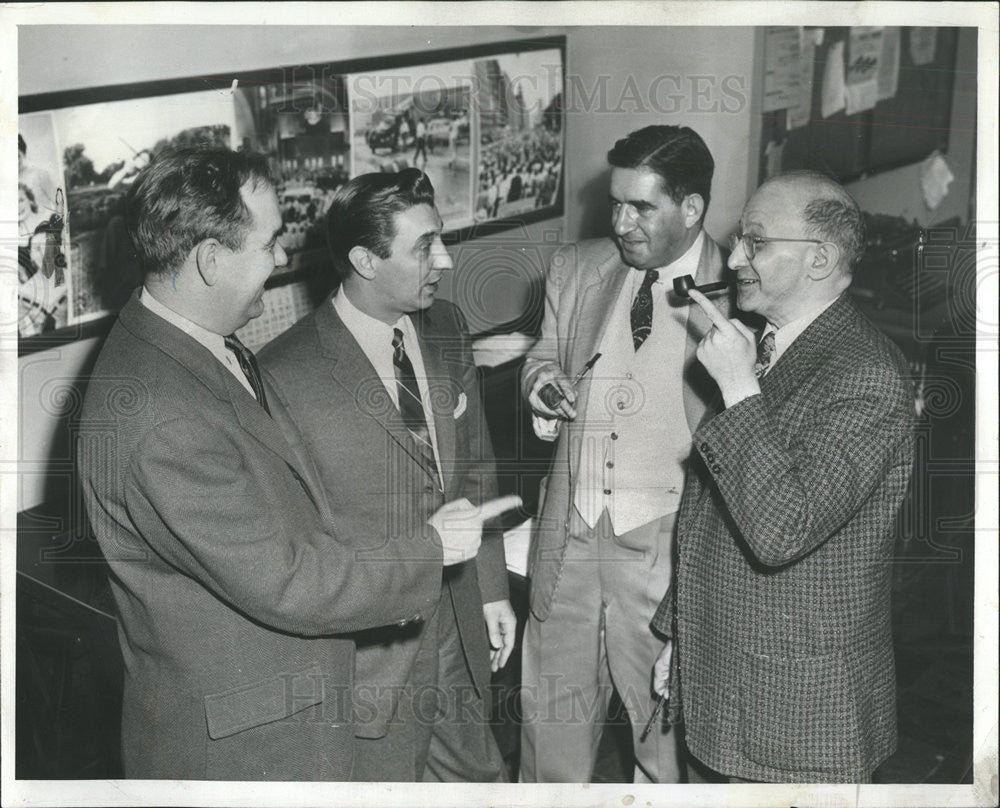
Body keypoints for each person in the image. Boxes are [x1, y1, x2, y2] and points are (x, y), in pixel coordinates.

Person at [77, 147, 479, 780]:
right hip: (254, 746)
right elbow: (290, 582)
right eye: (268, 244)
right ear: (211, 260)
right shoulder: (161, 417)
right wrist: (433, 547)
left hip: (291, 710)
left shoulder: (189, 349)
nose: (285, 260)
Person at [650, 171, 915, 783]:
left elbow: (781, 530)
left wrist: (740, 390)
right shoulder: (769, 345)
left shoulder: (866, 376)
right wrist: (680, 634)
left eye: (757, 243)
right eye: (741, 239)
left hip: (795, 710)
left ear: (819, 259)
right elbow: (713, 513)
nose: (736, 257)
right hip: (723, 672)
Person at [259, 168, 519, 782]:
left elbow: (474, 472)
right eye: (424, 246)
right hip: (368, 658)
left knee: (483, 783)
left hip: (455, 627)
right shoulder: (283, 375)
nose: (445, 260)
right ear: (364, 261)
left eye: (440, 239)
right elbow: (296, 547)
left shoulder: (448, 329)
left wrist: (490, 589)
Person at [518, 125, 728, 783]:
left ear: (690, 208)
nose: (620, 221)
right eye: (615, 202)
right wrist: (539, 385)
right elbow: (545, 352)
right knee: (549, 738)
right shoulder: (579, 268)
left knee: (664, 747)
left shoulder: (742, 294)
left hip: (667, 552)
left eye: (642, 207)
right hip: (571, 538)